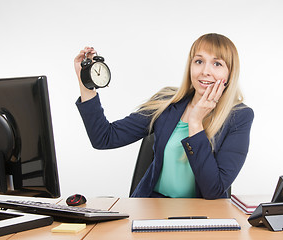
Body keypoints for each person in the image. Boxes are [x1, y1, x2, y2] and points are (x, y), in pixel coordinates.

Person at [74, 33, 254, 199]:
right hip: (152, 207)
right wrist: (86, 83)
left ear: (230, 73)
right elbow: (104, 138)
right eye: (198, 61)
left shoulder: (239, 117)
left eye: (217, 64)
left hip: (202, 216)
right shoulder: (167, 101)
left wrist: (195, 122)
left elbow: (213, 191)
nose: (205, 71)